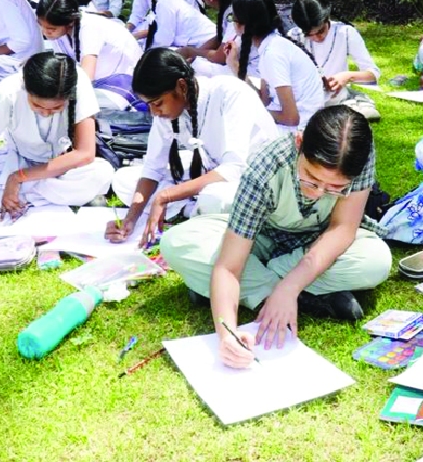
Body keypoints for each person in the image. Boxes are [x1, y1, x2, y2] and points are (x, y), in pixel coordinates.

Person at [159, 106, 393, 366]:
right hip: (259, 239)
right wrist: (227, 335)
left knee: (376, 261)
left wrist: (289, 286)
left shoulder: (360, 154)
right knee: (176, 242)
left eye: (336, 188)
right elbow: (229, 266)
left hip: (317, 241)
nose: (318, 193)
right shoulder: (266, 165)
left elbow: (342, 229)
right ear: (299, 143)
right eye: (311, 179)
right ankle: (295, 295)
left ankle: (250, 290)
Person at [106, 48, 279, 246]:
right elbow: (152, 168)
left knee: (215, 198)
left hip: (257, 182)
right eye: (150, 105)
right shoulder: (170, 109)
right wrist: (131, 219)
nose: (154, 112)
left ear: (181, 86)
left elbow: (235, 169)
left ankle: (193, 207)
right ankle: (193, 208)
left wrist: (165, 196)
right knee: (124, 179)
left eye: (158, 103)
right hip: (212, 173)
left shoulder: (230, 92)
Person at [0, 51, 116, 228]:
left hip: (60, 165)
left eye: (57, 108)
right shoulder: (8, 92)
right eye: (37, 105)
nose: (46, 113)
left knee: (101, 173)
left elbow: (84, 154)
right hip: (15, 159)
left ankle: (18, 196)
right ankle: (53, 197)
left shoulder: (79, 84)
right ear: (25, 87)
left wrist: (17, 179)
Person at [230, 0, 326, 133]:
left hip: (300, 130)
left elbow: (291, 118)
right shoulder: (270, 45)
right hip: (294, 123)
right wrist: (235, 66)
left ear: (241, 25)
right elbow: (265, 100)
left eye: (233, 17)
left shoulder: (272, 53)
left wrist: (256, 114)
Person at [37, 0, 140, 111]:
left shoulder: (90, 27)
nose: (45, 32)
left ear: (69, 22)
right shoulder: (60, 31)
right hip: (101, 82)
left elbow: (87, 78)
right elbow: (62, 65)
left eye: (51, 29)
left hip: (125, 83)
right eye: (41, 25)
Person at [290, 0, 381, 120]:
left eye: (321, 31)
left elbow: (373, 74)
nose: (317, 38)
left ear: (327, 19)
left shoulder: (346, 33)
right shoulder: (294, 36)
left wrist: (347, 76)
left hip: (338, 100)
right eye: (309, 35)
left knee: (365, 114)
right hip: (305, 102)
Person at [177, 0, 240, 77]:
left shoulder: (233, 15)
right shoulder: (230, 9)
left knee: (194, 67)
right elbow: (219, 38)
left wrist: (191, 52)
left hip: (249, 72)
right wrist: (196, 51)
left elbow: (220, 57)